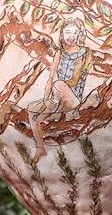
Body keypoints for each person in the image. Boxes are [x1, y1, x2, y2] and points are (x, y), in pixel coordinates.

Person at [28, 19, 93, 161]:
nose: (71, 36)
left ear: (80, 35)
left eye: (74, 32)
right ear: (62, 34)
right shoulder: (60, 53)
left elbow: (75, 80)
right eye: (67, 32)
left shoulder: (83, 53)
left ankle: (57, 111)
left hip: (73, 98)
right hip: (57, 96)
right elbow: (51, 76)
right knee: (32, 112)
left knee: (58, 84)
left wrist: (58, 91)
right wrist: (46, 99)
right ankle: (40, 147)